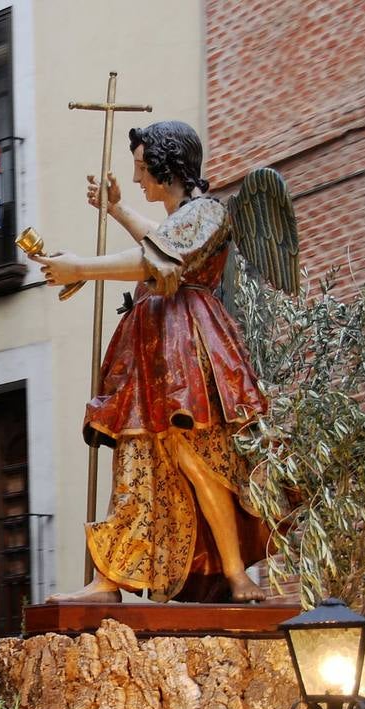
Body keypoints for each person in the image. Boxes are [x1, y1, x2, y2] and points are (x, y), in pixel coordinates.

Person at [30, 120, 270, 603]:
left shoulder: (209, 215)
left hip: (187, 345)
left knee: (196, 456)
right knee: (137, 458)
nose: (138, 179)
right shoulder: (185, 219)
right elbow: (158, 237)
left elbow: (157, 261)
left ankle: (234, 573)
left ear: (167, 166)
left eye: (142, 168)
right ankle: (110, 579)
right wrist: (116, 209)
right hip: (154, 346)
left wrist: (82, 268)